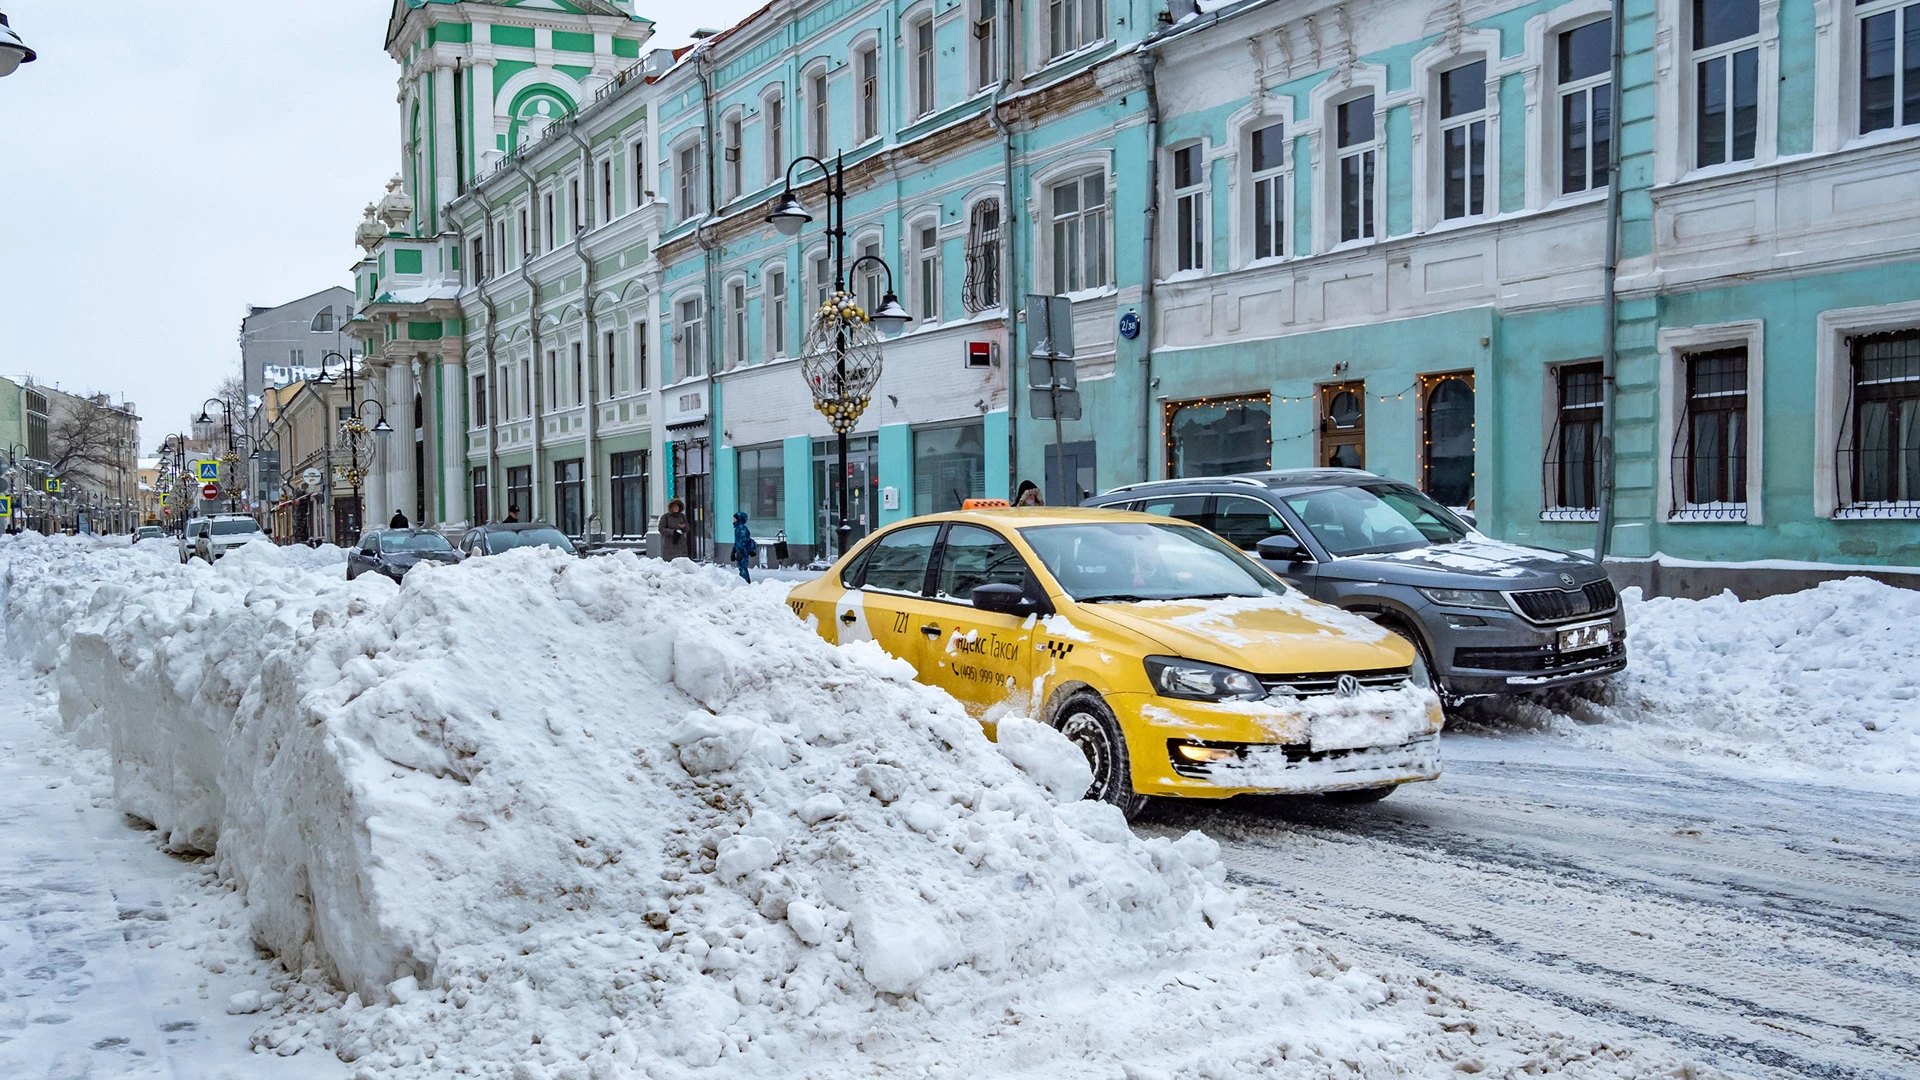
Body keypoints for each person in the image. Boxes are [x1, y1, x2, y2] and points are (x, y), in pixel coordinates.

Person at [731, 511, 758, 583]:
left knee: (743, 567)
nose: (733, 520)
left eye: (735, 519)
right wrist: (733, 551)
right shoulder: (737, 528)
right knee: (741, 567)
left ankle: (745, 583)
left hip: (743, 551)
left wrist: (739, 551)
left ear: (739, 519)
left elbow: (743, 541)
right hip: (739, 551)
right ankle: (745, 582)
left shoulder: (742, 529)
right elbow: (737, 541)